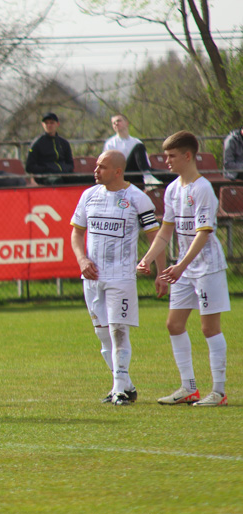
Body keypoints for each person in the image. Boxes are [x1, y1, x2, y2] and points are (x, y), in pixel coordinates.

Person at [138, 131, 230, 407]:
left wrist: (180, 266)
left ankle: (219, 392)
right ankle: (188, 387)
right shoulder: (172, 189)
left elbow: (203, 233)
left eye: (171, 156)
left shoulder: (203, 189)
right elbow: (166, 232)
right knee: (174, 324)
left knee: (209, 328)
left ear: (187, 156)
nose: (166, 161)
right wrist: (147, 258)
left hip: (206, 268)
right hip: (184, 268)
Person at [70, 150, 163, 406]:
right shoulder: (89, 196)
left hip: (121, 277)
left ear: (118, 171)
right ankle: (126, 385)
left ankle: (119, 390)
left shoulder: (137, 199)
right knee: (102, 334)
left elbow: (155, 237)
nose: (96, 170)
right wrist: (82, 260)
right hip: (92, 278)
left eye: (102, 166)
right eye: (96, 165)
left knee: (118, 331)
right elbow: (76, 234)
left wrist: (157, 270)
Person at [102, 114, 166, 186]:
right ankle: (148, 177)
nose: (116, 124)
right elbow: (107, 164)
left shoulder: (136, 141)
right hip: (122, 173)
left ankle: (148, 177)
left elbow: (145, 162)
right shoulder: (110, 143)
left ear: (127, 123)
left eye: (118, 121)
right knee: (138, 147)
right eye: (113, 123)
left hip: (139, 171)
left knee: (171, 175)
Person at [25, 112, 75, 186]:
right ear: (43, 125)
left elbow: (70, 164)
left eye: (52, 123)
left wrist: (64, 169)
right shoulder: (37, 143)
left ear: (57, 124)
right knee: (57, 181)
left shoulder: (64, 143)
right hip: (45, 176)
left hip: (64, 173)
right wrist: (46, 169)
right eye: (46, 123)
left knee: (86, 178)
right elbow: (29, 167)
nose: (49, 125)